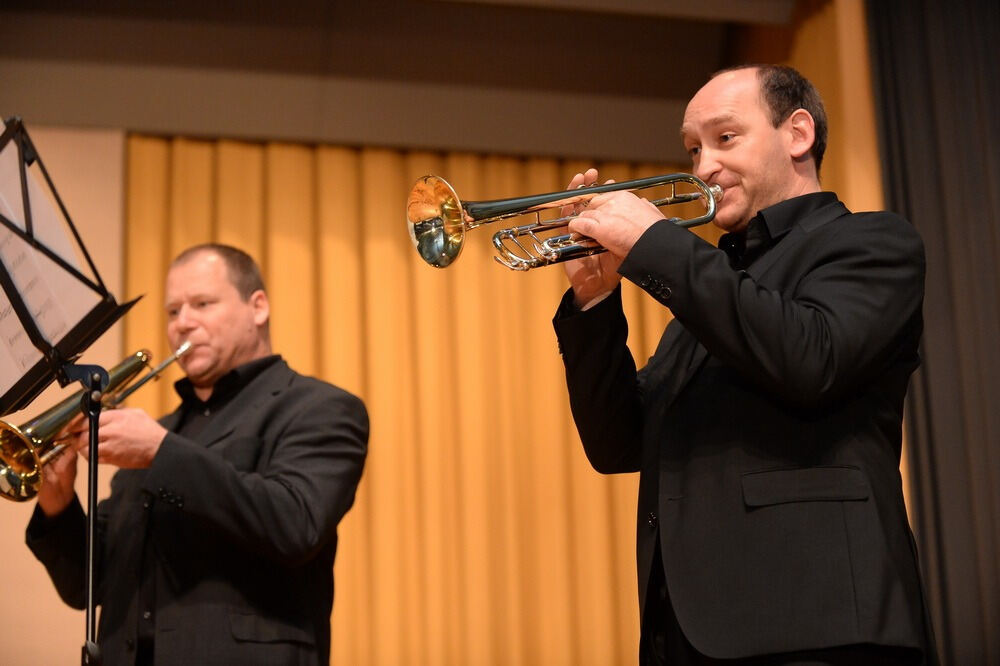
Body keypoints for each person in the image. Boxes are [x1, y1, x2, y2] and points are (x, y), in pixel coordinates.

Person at [553, 65, 937, 664]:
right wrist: (594, 301)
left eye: (724, 139)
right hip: (685, 634)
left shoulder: (872, 243)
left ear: (798, 134)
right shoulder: (713, 293)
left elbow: (810, 358)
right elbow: (618, 443)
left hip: (819, 626)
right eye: (692, 149)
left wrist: (657, 243)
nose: (702, 167)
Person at [26, 244, 368, 665]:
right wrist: (58, 503)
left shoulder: (319, 408)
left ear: (257, 307)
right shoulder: (161, 431)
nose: (183, 324)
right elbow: (86, 587)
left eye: (202, 304)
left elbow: (296, 525)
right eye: (173, 312)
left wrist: (160, 452)